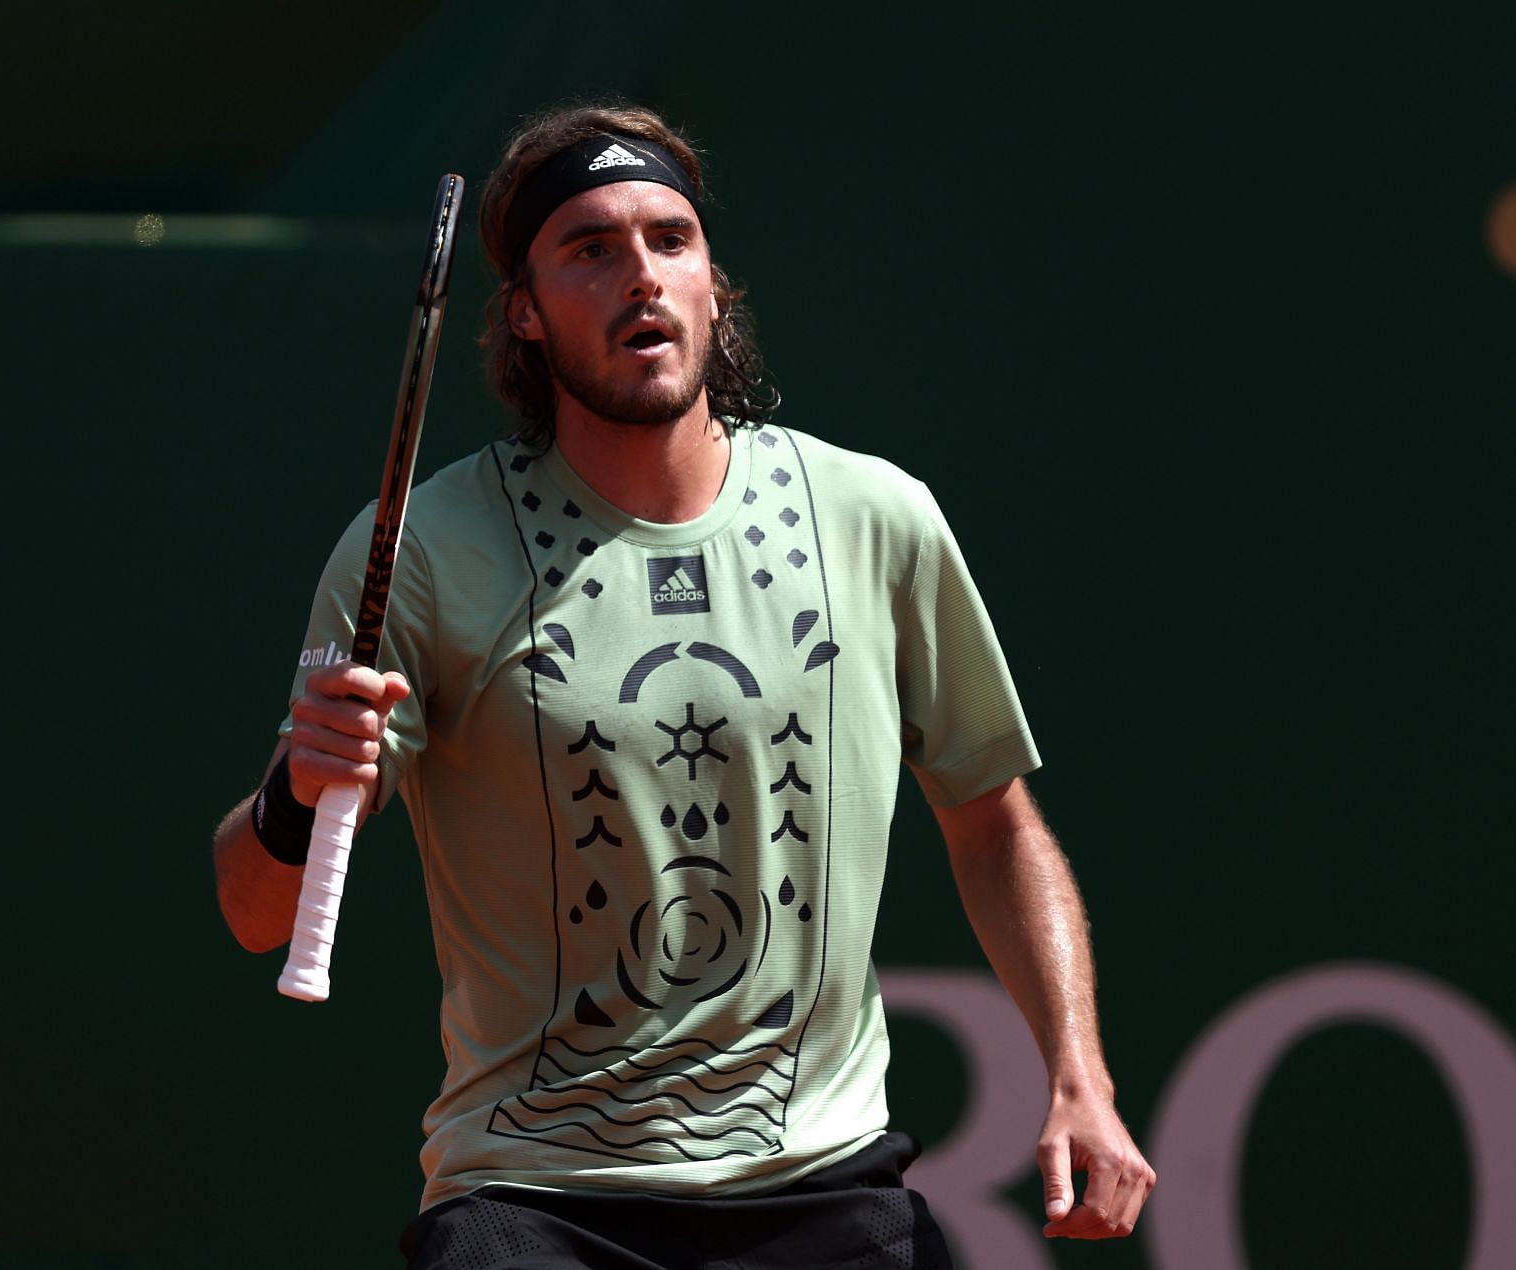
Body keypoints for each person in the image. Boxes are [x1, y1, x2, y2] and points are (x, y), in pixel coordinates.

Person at [213, 101, 1153, 1268]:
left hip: (824, 1184)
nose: (640, 276)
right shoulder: (416, 552)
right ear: (527, 317)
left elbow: (995, 826)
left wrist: (1081, 1075)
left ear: (716, 286)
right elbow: (256, 912)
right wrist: (295, 791)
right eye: (591, 249)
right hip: (532, 1201)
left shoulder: (878, 517)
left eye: (670, 239)